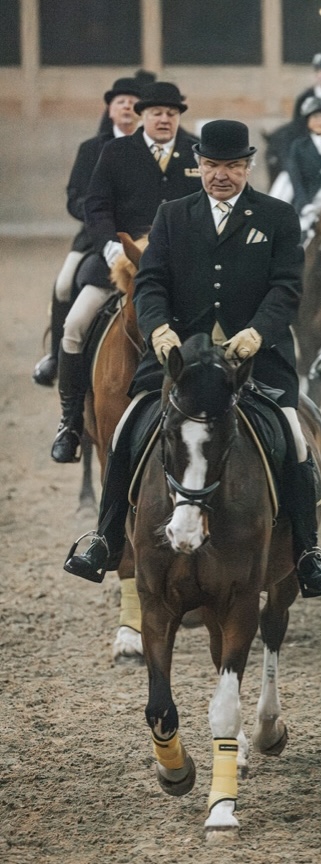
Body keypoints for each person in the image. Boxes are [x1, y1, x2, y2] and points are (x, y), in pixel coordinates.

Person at [64, 118, 321, 599]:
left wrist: (257, 334)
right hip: (181, 360)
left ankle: (307, 551)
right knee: (124, 432)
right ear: (199, 166)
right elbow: (152, 280)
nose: (220, 174)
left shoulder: (277, 217)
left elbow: (288, 288)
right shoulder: (172, 215)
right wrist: (159, 327)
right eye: (211, 165)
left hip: (257, 359)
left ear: (246, 167)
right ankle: (106, 539)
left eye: (231, 166)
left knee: (296, 440)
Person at [50, 80, 201, 464]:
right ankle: (69, 423)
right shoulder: (115, 152)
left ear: (179, 115)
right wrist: (110, 244)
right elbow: (96, 206)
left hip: (181, 267)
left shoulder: (196, 153)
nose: (164, 119)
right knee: (75, 326)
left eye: (171, 113)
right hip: (121, 262)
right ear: (142, 116)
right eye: (156, 113)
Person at [32, 77, 142, 386]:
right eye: (121, 102)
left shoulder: (150, 150)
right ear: (110, 110)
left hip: (140, 238)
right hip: (95, 236)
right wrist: (96, 217)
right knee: (65, 284)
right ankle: (55, 356)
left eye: (134, 102)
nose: (128, 107)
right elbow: (74, 196)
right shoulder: (91, 149)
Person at [287, 95, 321, 238]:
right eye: (314, 117)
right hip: (309, 202)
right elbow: (296, 179)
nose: (318, 121)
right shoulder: (299, 147)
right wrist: (305, 204)